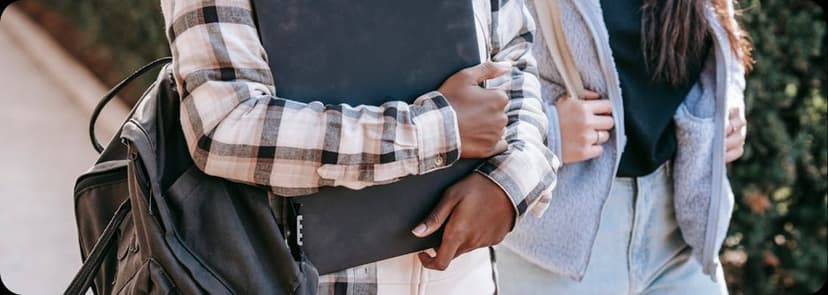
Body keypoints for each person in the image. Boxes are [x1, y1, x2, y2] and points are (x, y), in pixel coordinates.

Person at [158, 0, 559, 294]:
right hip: (305, 277)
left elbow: (515, 61)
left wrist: (509, 185)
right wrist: (436, 131)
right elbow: (225, 125)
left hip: (462, 280)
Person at [497, 0, 752, 294]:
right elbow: (471, 64)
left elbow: (719, 32)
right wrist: (546, 130)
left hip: (678, 227)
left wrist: (727, 103)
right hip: (559, 236)